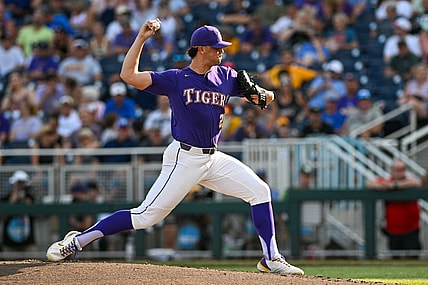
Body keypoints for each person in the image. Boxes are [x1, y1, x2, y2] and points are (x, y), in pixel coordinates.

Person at [46, 22, 304, 275]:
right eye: (216, 47)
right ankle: (77, 241)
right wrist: (141, 39)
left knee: (260, 191)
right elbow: (128, 76)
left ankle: (271, 258)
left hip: (212, 158)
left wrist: (259, 92)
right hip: (184, 157)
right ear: (201, 49)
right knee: (145, 217)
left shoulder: (226, 76)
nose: (221, 51)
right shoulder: (176, 79)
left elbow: (267, 96)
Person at [366, 160, 422, 258]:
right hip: (393, 230)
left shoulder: (410, 181)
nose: (398, 172)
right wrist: (382, 186)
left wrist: (395, 186)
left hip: (411, 229)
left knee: (413, 258)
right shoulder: (387, 181)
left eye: (401, 169)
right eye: (396, 169)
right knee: (395, 258)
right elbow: (369, 183)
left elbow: (416, 182)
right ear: (391, 170)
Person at [1, 170, 37, 252]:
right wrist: (11, 202)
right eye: (18, 183)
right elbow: (2, 219)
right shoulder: (5, 199)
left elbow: (39, 217)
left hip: (28, 243)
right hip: (9, 244)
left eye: (22, 183)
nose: (21, 186)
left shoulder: (30, 198)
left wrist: (29, 206)